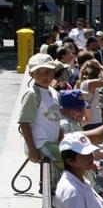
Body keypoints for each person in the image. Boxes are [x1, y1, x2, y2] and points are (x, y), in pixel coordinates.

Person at [18, 53, 63, 187]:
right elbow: (24, 123)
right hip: (40, 144)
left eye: (48, 72)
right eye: (39, 72)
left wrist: (63, 139)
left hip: (53, 142)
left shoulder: (54, 92)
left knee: (75, 152)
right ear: (32, 74)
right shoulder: (32, 94)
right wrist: (32, 149)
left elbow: (56, 119)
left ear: (53, 73)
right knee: (72, 158)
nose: (44, 76)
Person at [77, 59, 103, 130]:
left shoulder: (83, 83)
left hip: (88, 121)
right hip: (93, 121)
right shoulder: (91, 83)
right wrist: (100, 66)